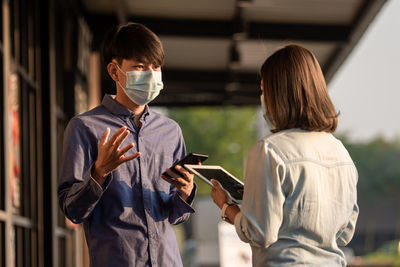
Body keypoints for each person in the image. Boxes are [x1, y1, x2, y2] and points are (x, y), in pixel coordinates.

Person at [58, 22, 196, 267]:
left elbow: (176, 216)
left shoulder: (170, 131)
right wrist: (99, 173)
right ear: (114, 71)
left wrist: (185, 194)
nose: (151, 74)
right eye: (140, 67)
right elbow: (72, 211)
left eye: (156, 67)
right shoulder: (85, 127)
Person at [211, 44, 358, 267]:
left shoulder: (269, 150)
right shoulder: (341, 153)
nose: (262, 98)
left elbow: (259, 233)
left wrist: (226, 207)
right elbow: (345, 233)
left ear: (278, 94)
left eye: (263, 89)